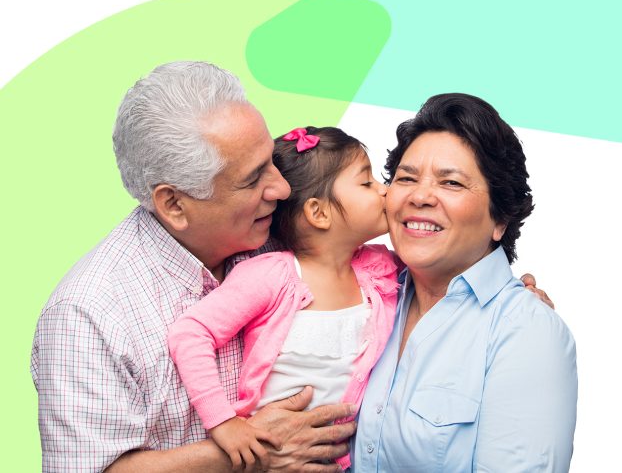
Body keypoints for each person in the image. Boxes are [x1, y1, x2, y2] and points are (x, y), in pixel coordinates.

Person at [30, 62, 357, 473]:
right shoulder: (88, 313)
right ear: (174, 204)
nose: (282, 188)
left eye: (271, 163)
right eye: (253, 179)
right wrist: (249, 451)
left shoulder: (281, 241)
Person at [353, 93, 577, 471]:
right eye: (407, 178)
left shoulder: (525, 332)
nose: (420, 195)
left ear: (499, 219)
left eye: (452, 183)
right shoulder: (364, 294)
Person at [168, 127, 400, 471]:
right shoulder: (272, 275)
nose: (385, 191)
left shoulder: (381, 269)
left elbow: (444, 274)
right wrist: (222, 422)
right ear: (318, 213)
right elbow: (189, 334)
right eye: (367, 183)